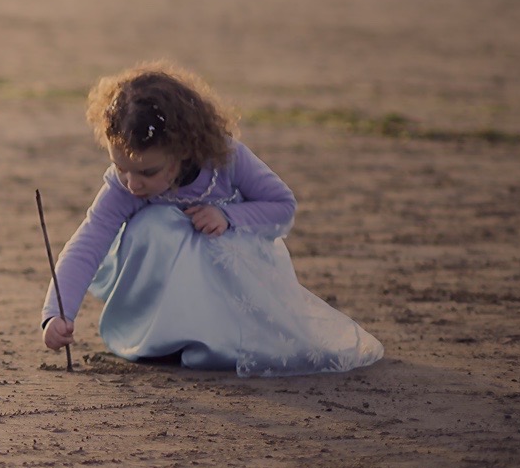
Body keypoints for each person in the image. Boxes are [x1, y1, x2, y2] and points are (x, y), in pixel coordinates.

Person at [40, 63, 384, 377]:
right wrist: (57, 313)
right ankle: (159, 338)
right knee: (155, 227)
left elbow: (282, 205)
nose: (132, 183)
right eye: (121, 167)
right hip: (156, 293)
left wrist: (228, 215)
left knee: (194, 235)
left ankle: (208, 340)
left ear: (185, 148)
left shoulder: (228, 159)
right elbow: (87, 244)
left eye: (147, 171)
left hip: (231, 285)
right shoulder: (125, 187)